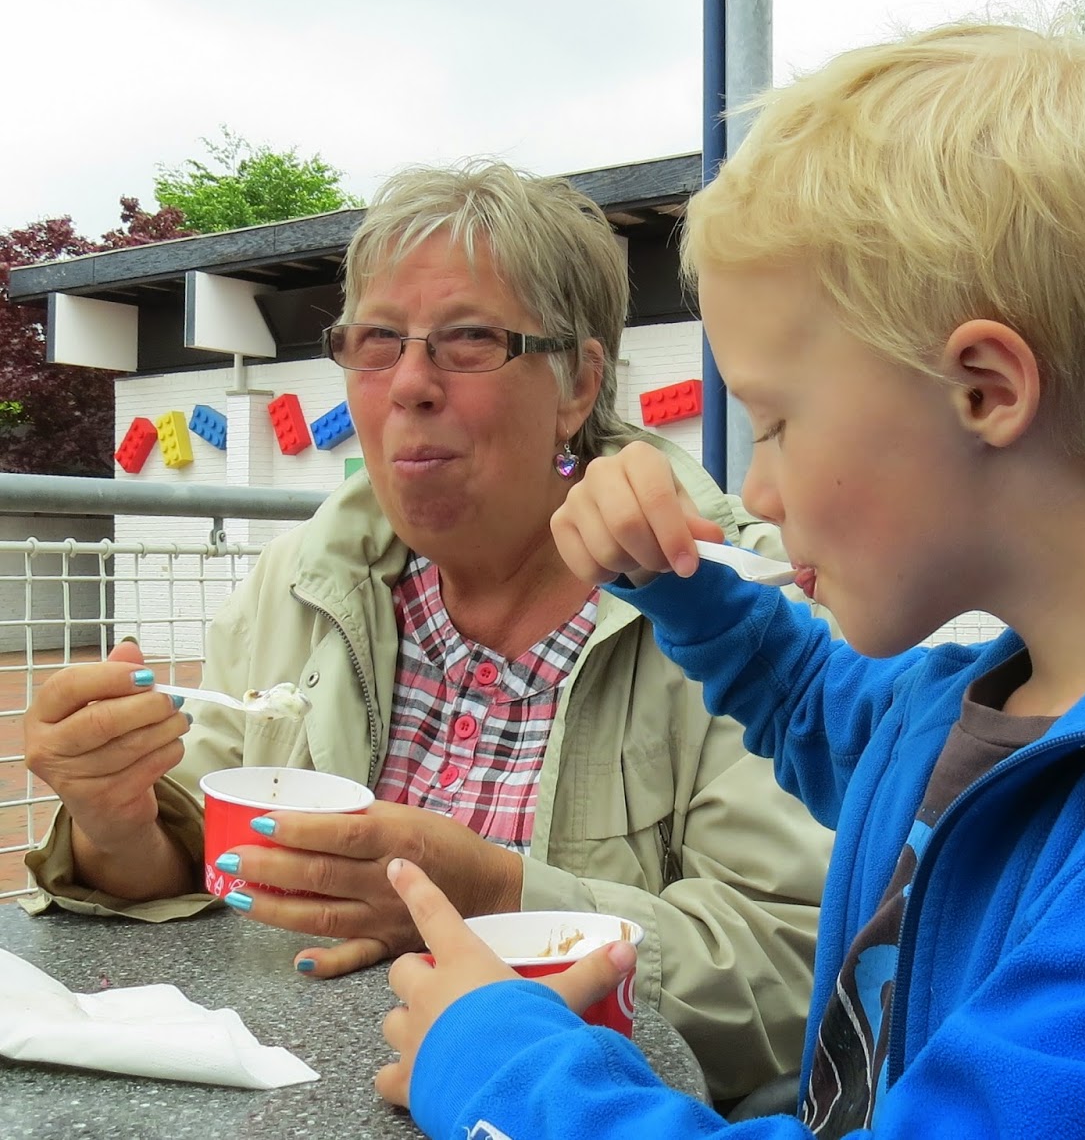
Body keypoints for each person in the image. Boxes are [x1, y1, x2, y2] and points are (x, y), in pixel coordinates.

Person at [372, 23, 1085, 1139]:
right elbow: (802, 693)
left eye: (777, 422)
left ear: (984, 391)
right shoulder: (960, 707)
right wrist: (672, 576)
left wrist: (510, 1074)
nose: (757, 488)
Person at [20, 159, 834, 1101]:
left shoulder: (735, 603)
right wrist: (115, 818)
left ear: (577, 385)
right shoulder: (300, 585)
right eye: (377, 340)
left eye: (468, 340)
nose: (408, 383)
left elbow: (793, 965)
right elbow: (203, 856)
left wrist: (492, 897)